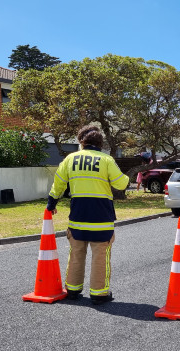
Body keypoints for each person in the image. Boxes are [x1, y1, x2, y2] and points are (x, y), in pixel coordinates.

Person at [46, 125, 129, 305]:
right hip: (101, 219)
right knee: (100, 256)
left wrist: (51, 204)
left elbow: (58, 184)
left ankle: (73, 290)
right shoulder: (106, 160)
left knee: (76, 253)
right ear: (100, 143)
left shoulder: (70, 159)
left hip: (77, 217)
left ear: (81, 141)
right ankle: (99, 294)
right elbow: (121, 184)